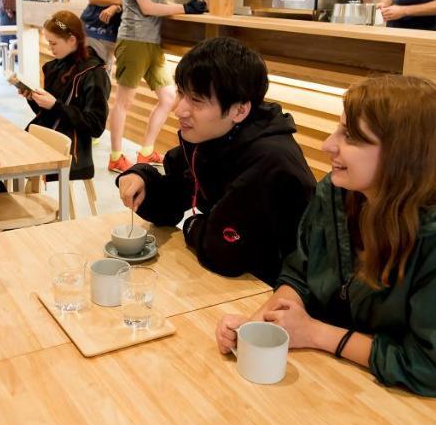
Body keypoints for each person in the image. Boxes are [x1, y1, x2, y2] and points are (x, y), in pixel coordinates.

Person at [217, 73, 436, 422]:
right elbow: (301, 271)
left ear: (404, 155)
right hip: (353, 387)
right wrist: (260, 328)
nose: (329, 145)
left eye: (352, 137)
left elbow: (433, 370)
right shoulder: (340, 195)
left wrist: (316, 333)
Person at [117, 37, 313, 285]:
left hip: (273, 291)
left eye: (196, 100)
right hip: (235, 280)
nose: (180, 110)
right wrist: (142, 178)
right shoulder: (215, 136)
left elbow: (223, 252)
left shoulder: (269, 160)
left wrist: (192, 224)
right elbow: (174, 199)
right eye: (181, 93)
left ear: (240, 110)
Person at [107, 0, 207, 173]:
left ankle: (146, 151)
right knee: (124, 102)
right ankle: (116, 156)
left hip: (153, 41)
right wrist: (186, 8)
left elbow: (162, 3)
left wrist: (189, 6)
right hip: (133, 39)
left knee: (169, 97)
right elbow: (147, 6)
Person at [13, 10, 109, 182]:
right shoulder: (54, 67)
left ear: (72, 40)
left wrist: (55, 105)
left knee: (10, 162)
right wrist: (32, 98)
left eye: (53, 43)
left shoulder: (93, 73)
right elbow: (50, 115)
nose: (50, 48)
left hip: (72, 152)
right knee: (5, 156)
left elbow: (95, 126)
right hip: (49, 137)